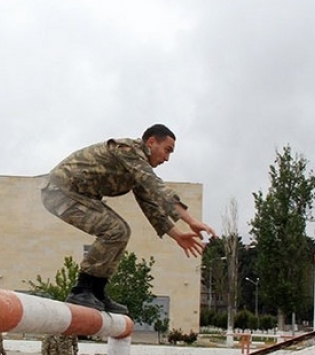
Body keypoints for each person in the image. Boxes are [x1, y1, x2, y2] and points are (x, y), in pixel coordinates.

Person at [42, 124, 216, 313]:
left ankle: (97, 291)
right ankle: (81, 290)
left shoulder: (136, 169)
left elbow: (151, 206)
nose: (167, 158)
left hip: (75, 195)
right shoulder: (128, 151)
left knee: (121, 231)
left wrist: (178, 235)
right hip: (59, 191)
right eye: (167, 151)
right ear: (151, 142)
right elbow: (157, 187)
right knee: (115, 229)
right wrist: (190, 220)